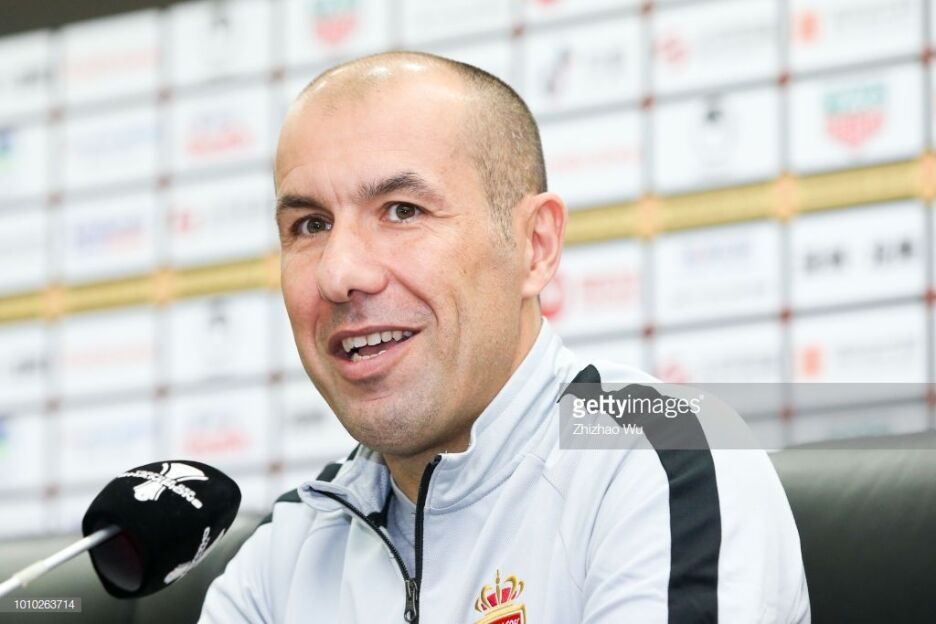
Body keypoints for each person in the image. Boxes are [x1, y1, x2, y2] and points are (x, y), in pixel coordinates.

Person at [198, 51, 810, 623]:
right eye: (310, 225)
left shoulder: (662, 455)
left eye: (403, 210)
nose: (339, 274)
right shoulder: (282, 558)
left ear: (534, 246)